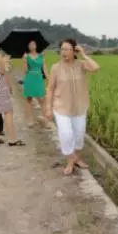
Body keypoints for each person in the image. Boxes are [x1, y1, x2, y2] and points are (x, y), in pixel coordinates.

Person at [45, 39, 100, 175]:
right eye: (62, 49)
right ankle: (70, 162)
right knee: (66, 134)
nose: (64, 52)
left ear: (74, 51)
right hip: (61, 107)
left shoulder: (81, 65)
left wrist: (83, 54)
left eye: (68, 49)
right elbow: (50, 89)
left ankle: (76, 158)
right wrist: (48, 107)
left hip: (80, 107)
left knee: (79, 135)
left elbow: (96, 67)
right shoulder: (55, 68)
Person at [22, 40, 48, 127]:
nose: (32, 45)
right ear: (28, 46)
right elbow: (25, 71)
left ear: (36, 45)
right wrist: (24, 60)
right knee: (28, 99)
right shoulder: (26, 56)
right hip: (30, 77)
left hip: (39, 78)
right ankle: (30, 121)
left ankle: (45, 120)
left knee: (42, 99)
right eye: (30, 44)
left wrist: (48, 78)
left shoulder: (41, 56)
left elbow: (45, 69)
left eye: (33, 44)